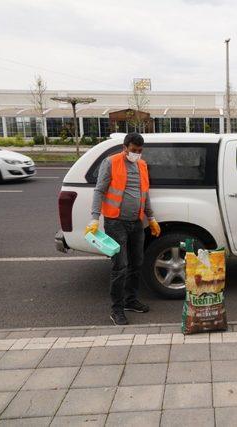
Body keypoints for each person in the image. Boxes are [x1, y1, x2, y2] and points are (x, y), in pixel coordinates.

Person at [86, 133, 161, 326]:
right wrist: (95, 218)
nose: (137, 154)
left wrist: (151, 217)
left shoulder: (141, 165)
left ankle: (130, 301)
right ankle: (116, 310)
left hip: (136, 222)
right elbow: (99, 191)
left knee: (137, 263)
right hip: (115, 222)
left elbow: (145, 194)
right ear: (125, 147)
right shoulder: (111, 162)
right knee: (120, 266)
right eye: (134, 150)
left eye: (140, 151)